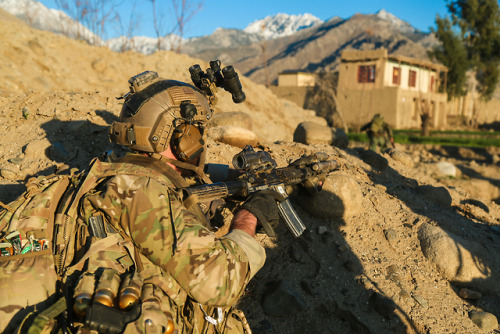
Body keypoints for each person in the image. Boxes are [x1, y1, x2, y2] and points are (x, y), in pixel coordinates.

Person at [12, 70, 280, 334]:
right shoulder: (142, 192)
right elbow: (220, 281)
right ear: (182, 137)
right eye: (197, 131)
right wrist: (249, 215)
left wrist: (238, 178)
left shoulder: (116, 170)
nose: (200, 141)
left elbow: (184, 176)